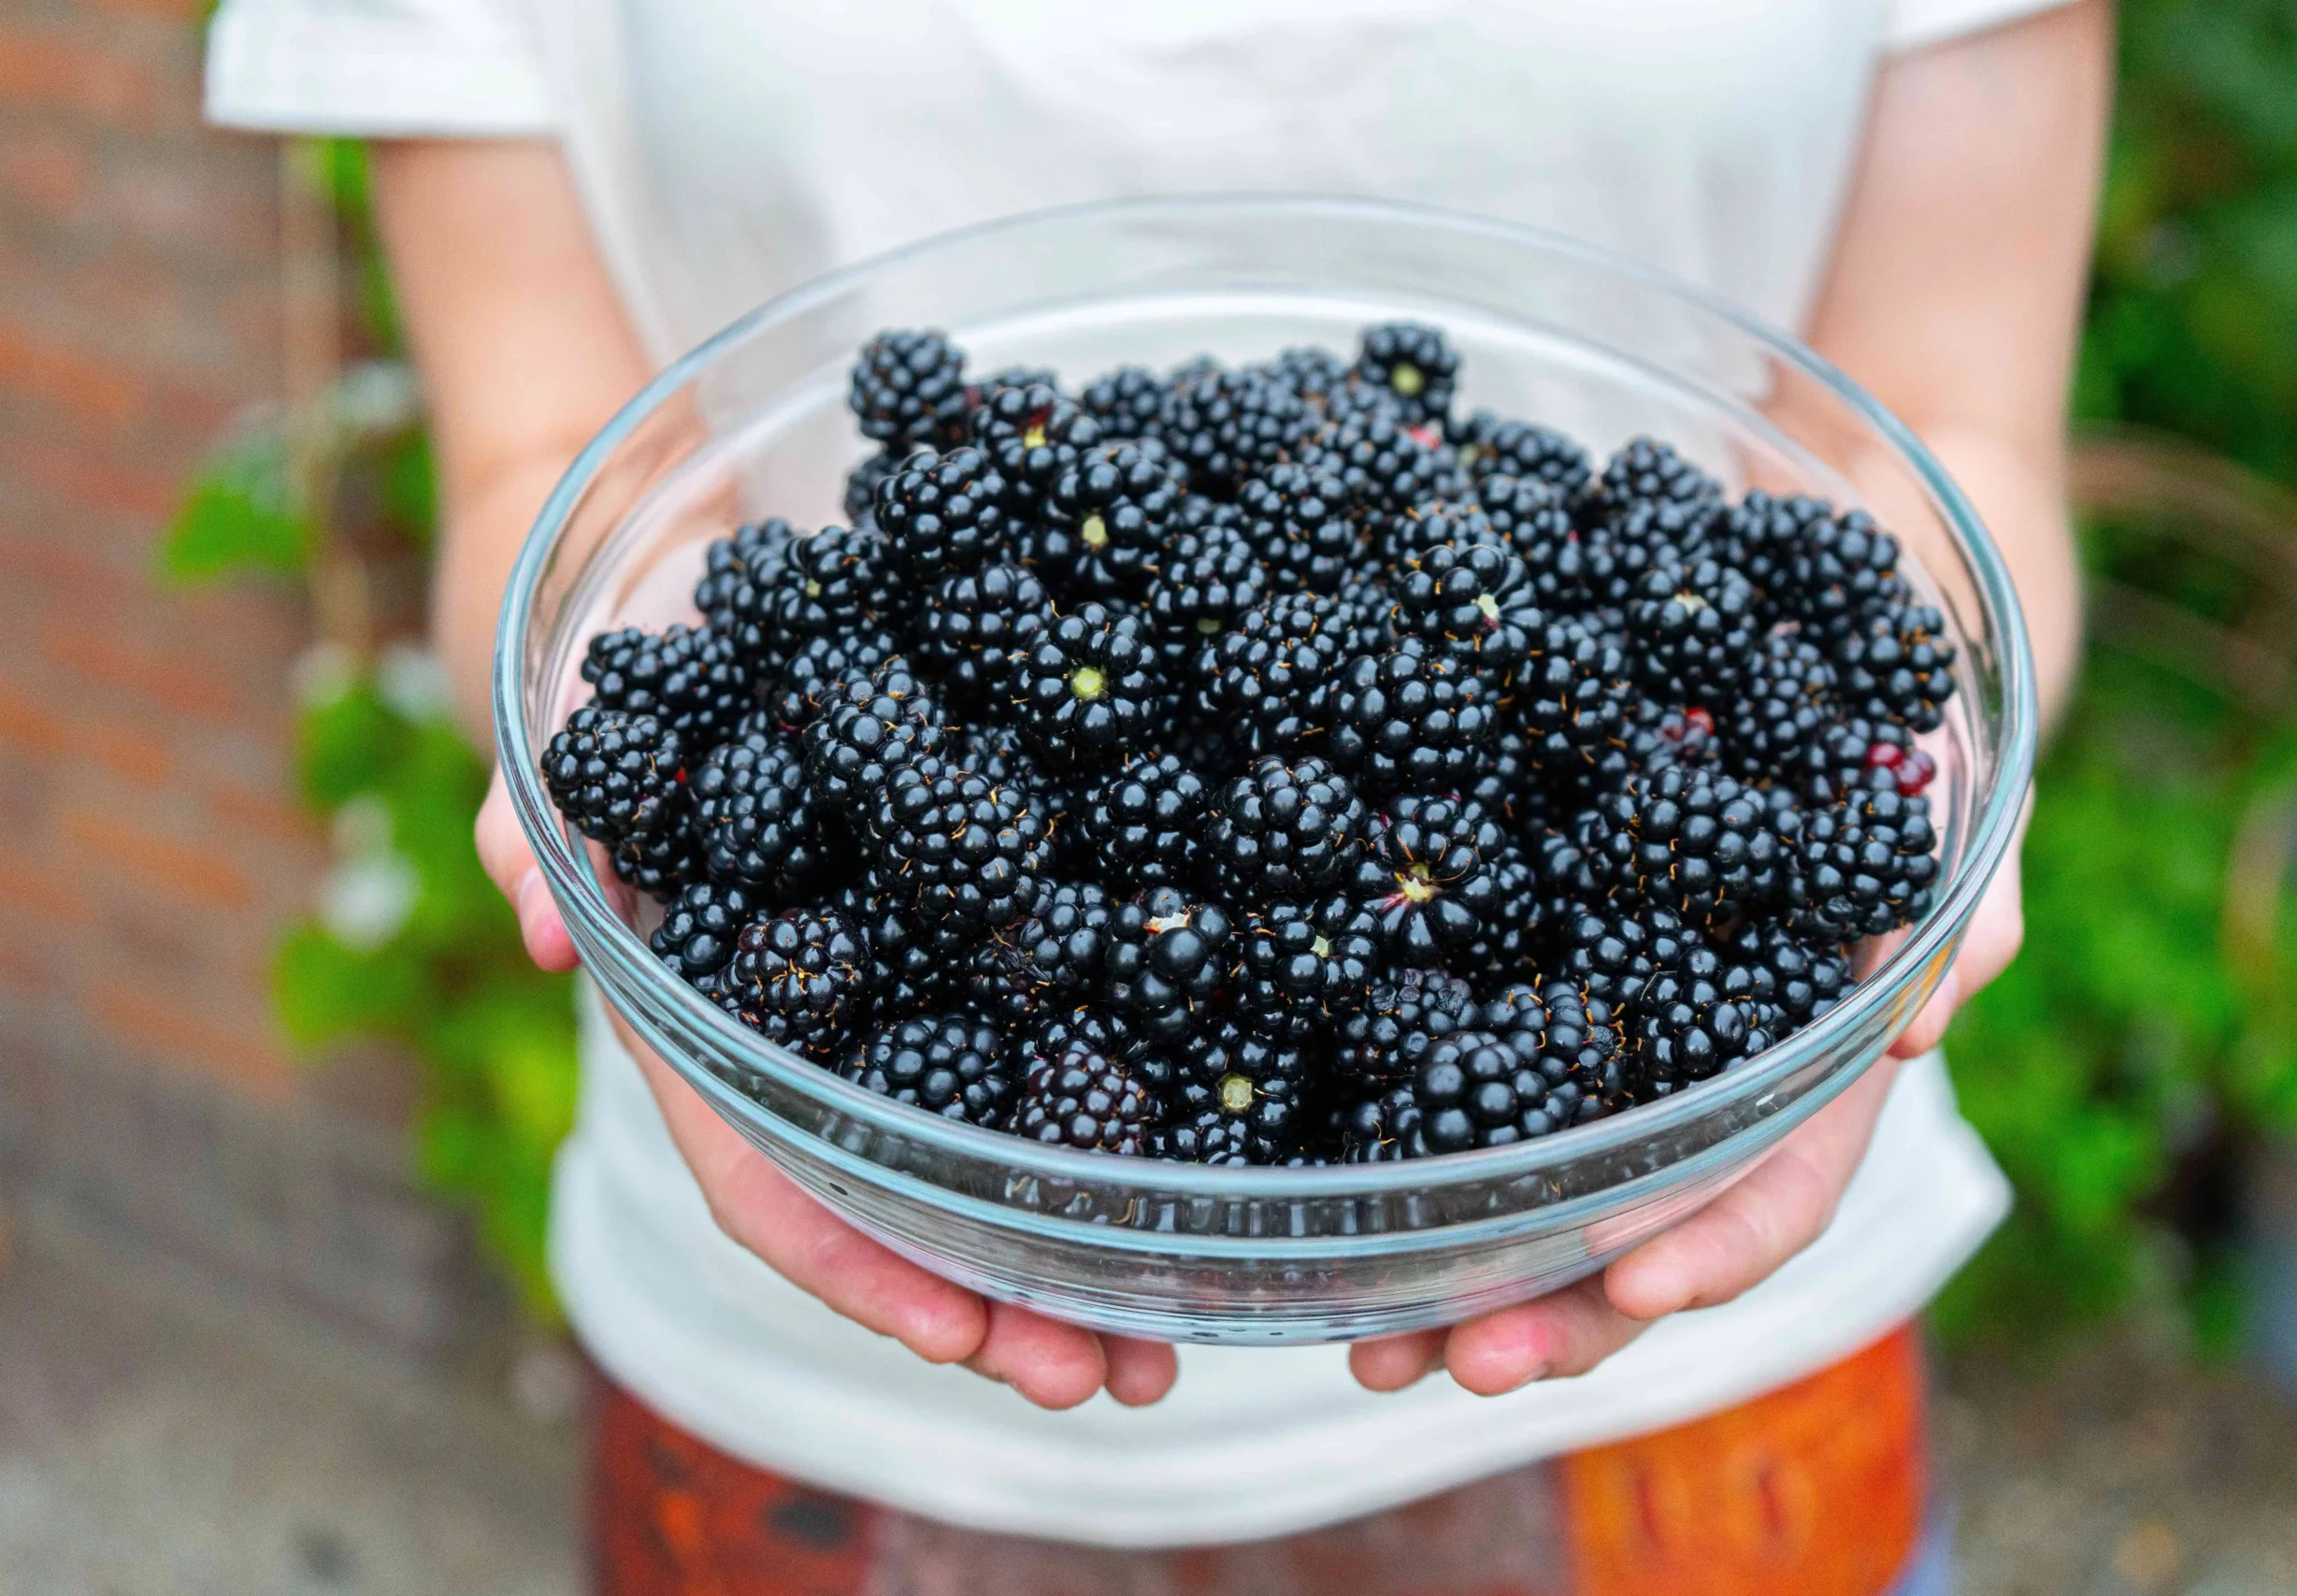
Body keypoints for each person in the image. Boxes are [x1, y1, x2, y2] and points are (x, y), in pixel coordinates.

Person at [208, 2, 2101, 1589]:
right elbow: (541, 471)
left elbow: (1947, 441)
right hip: (806, 1378)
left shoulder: (1523, 733)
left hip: (1688, 1342)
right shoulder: (986, 752)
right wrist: (659, 783)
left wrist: (1898, 794)